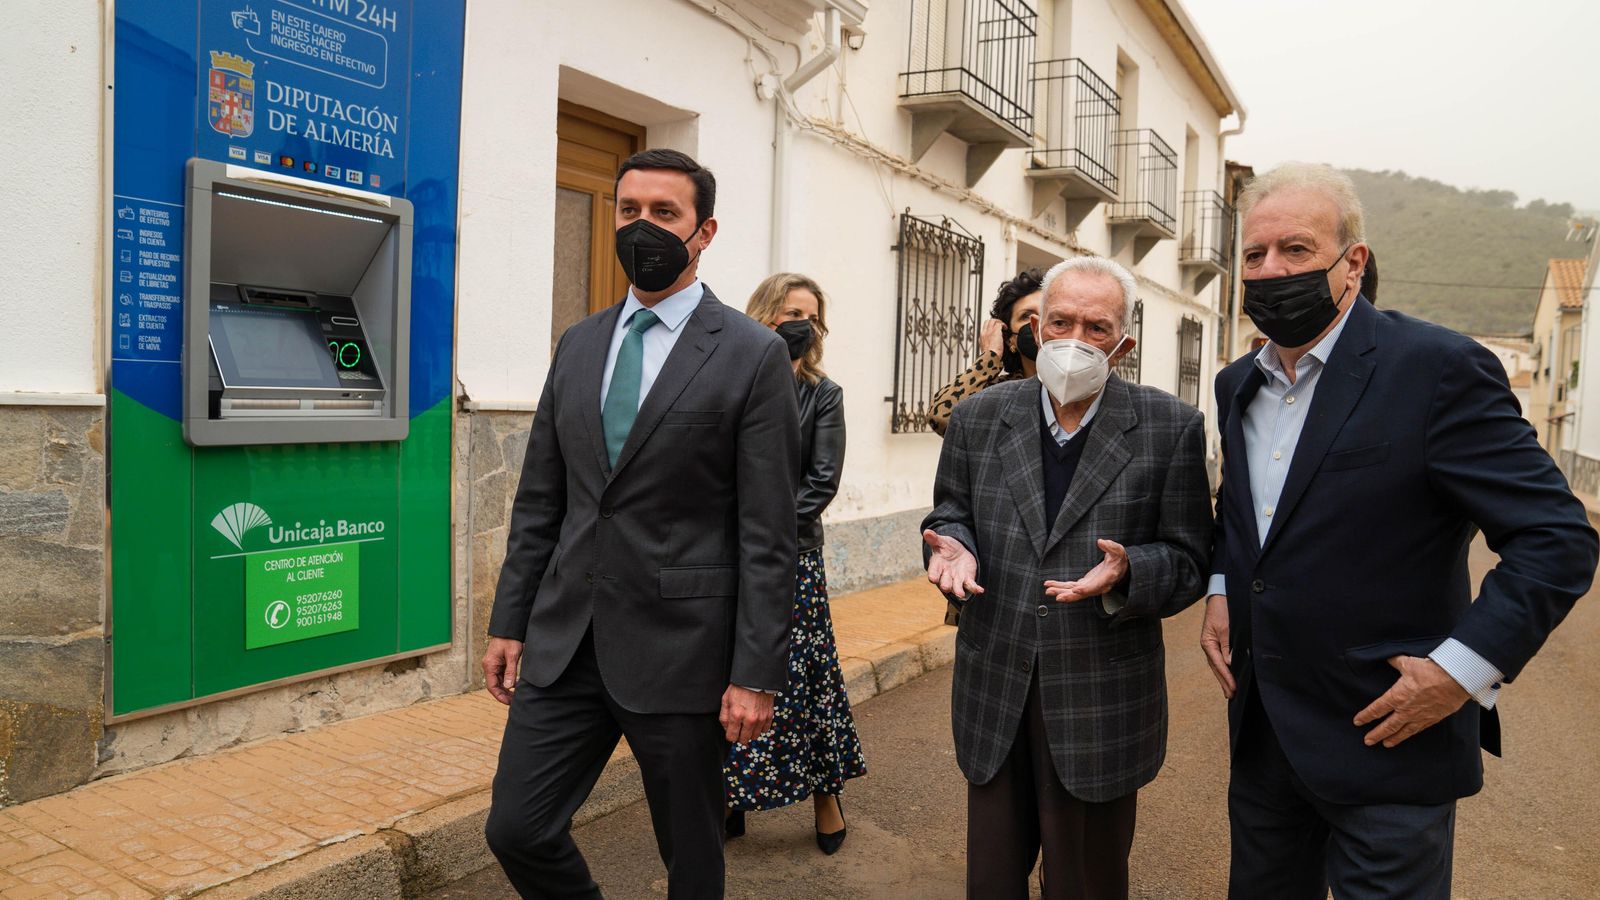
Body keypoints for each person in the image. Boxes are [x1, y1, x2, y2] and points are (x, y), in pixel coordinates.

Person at [1200, 162, 1598, 899]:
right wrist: (1224, 583)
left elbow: (1556, 537)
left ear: (1353, 263)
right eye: (1254, 256)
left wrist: (1457, 673)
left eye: (1295, 250)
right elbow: (1246, 514)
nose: (1270, 270)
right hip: (1265, 741)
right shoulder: (1237, 385)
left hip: (1390, 739)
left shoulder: (1437, 369)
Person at [482, 149, 801, 900]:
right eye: (630, 211)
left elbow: (767, 534)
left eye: (665, 213)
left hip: (683, 653)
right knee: (517, 829)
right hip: (566, 644)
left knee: (691, 857)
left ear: (704, 231)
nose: (643, 227)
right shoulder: (580, 343)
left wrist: (756, 673)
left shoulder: (752, 356)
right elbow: (541, 501)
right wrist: (510, 621)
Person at [921, 256, 1213, 899]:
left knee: (1087, 882)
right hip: (996, 684)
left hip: (1101, 696)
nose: (1075, 339)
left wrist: (1132, 571)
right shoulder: (979, 417)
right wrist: (954, 548)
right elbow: (951, 512)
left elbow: (1192, 559)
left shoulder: (1170, 427)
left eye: (1097, 327)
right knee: (992, 880)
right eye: (1060, 321)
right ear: (1034, 329)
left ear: (1125, 343)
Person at [723, 273, 866, 854]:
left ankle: (825, 797)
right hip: (726, 558)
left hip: (793, 560)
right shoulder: (728, 383)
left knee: (804, 684)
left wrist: (762, 533)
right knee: (728, 678)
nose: (796, 322)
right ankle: (729, 793)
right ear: (761, 315)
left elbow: (821, 483)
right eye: (786, 311)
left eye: (808, 314)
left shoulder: (822, 394)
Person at [927, 268, 1046, 437]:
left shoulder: (1081, 382)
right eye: (1026, 316)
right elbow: (942, 417)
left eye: (1047, 313)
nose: (1037, 323)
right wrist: (991, 356)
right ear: (1010, 339)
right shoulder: (997, 394)